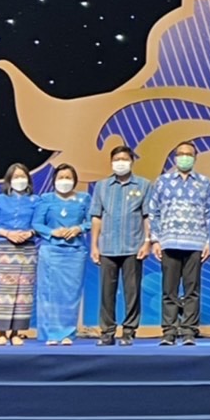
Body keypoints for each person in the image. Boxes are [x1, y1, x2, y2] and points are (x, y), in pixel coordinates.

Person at [147, 141, 210, 347]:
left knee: (192, 290)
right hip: (169, 242)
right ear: (175, 157)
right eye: (181, 154)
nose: (184, 157)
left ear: (195, 158)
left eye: (189, 154)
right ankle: (169, 331)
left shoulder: (204, 183)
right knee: (169, 290)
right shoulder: (162, 182)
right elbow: (153, 212)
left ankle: (188, 331)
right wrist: (155, 240)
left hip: (195, 243)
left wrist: (209, 242)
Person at [89, 145, 151, 346]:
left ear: (132, 161)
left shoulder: (144, 185)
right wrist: (94, 246)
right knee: (107, 292)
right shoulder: (102, 186)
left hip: (133, 246)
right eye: (116, 160)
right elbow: (96, 217)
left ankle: (129, 331)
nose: (120, 163)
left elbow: (147, 216)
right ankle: (107, 332)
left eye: (124, 159)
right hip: (107, 247)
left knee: (132, 292)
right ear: (111, 162)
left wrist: (147, 242)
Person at [32, 164, 91, 346]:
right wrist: (52, 232)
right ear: (54, 180)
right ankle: (50, 334)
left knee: (71, 293)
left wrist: (79, 228)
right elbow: (37, 224)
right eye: (61, 178)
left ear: (74, 180)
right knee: (49, 292)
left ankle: (67, 334)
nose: (64, 181)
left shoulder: (84, 199)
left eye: (68, 178)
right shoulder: (45, 199)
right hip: (51, 251)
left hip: (75, 252)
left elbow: (92, 221)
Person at [0, 163, 38, 345]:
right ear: (9, 180)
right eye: (16, 177)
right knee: (3, 291)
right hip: (4, 250)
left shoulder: (36, 200)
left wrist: (30, 233)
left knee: (23, 292)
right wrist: (8, 233)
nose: (19, 180)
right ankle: (1, 333)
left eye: (23, 176)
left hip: (27, 251)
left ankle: (16, 333)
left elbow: (40, 223)